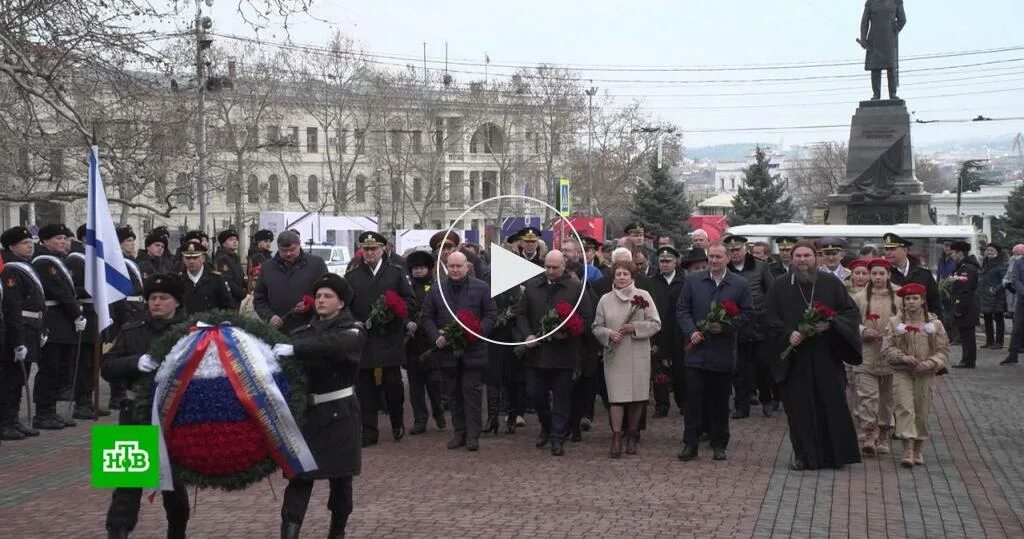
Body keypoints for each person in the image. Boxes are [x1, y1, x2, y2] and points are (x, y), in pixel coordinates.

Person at [274, 273, 365, 539]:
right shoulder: (301, 332)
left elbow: (336, 345)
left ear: (341, 303)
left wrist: (296, 350)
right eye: (318, 296)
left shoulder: (352, 330)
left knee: (341, 481)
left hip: (340, 413)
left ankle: (337, 531)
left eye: (328, 296)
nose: (321, 300)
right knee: (299, 478)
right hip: (307, 416)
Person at [101, 273, 190, 539]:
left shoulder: (190, 331)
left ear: (176, 302)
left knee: (174, 487)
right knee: (125, 486)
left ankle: (177, 533)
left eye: (163, 298)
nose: (157, 303)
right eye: (153, 298)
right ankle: (117, 532)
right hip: (133, 415)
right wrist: (134, 362)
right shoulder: (132, 330)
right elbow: (106, 367)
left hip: (174, 416)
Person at [764, 240, 862, 471]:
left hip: (826, 355)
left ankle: (835, 456)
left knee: (831, 404)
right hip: (795, 360)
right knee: (799, 410)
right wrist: (789, 334)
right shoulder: (779, 286)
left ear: (815, 258)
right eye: (798, 256)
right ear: (791, 259)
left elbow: (850, 313)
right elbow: (769, 319)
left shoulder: (831, 284)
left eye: (807, 255)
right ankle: (804, 456)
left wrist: (830, 325)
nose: (802, 260)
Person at [676, 242, 753, 462]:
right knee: (693, 402)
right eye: (711, 257)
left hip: (722, 353)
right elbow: (682, 309)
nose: (714, 261)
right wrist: (691, 331)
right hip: (696, 353)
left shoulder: (739, 284)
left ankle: (719, 443)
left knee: (719, 401)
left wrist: (727, 326)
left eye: (719, 257)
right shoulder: (693, 281)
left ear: (728, 258)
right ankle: (690, 444)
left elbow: (748, 313)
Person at [515, 250, 593, 456]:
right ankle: (547, 427)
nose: (550, 271)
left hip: (563, 354)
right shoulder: (533, 286)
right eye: (547, 267)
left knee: (562, 398)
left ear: (563, 266)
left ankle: (558, 438)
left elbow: (586, 318)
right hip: (536, 353)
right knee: (536, 395)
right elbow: (521, 314)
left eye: (554, 267)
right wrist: (528, 335)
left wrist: (567, 332)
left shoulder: (576, 288)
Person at [344, 231, 415, 446]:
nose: (369, 253)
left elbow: (409, 300)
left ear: (383, 249)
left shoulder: (395, 273)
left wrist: (395, 312)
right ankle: (369, 430)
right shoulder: (353, 276)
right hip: (365, 337)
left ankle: (396, 420)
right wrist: (354, 321)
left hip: (389, 335)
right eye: (366, 249)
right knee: (364, 386)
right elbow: (345, 305)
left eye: (373, 249)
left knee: (392, 383)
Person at [421, 252, 497, 451]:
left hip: (473, 350)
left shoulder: (481, 287)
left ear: (466, 266)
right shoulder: (437, 289)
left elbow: (491, 314)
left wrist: (478, 331)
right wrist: (436, 336)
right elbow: (427, 316)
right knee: (453, 394)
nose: (454, 270)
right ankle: (459, 432)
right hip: (447, 351)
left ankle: (473, 435)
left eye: (458, 266)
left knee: (471, 392)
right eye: (451, 266)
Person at [592, 260, 660, 458]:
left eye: (625, 274)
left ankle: (632, 434)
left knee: (637, 397)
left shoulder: (643, 296)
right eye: (618, 274)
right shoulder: (605, 299)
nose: (621, 278)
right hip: (615, 354)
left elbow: (656, 323)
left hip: (638, 352)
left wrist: (636, 328)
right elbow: (596, 326)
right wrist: (608, 333)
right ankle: (616, 436)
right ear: (613, 277)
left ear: (632, 277)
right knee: (616, 398)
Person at [880, 283, 949, 467]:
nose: (911, 302)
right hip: (902, 372)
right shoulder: (895, 322)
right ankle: (907, 449)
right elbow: (887, 349)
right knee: (904, 408)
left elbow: (943, 351)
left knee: (922, 411)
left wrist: (930, 363)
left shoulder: (934, 324)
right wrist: (903, 357)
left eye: (915, 298)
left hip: (925, 374)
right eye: (908, 299)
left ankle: (918, 448)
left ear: (922, 300)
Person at [32, 223, 84, 429]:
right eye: (58, 239)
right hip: (53, 320)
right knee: (49, 369)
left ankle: (51, 411)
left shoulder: (58, 261)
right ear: (45, 241)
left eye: (64, 238)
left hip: (63, 321)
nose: (63, 242)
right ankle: (42, 412)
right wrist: (77, 313)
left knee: (61, 368)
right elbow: (60, 292)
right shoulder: (44, 262)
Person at [722, 234, 775, 419]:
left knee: (763, 367)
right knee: (739, 369)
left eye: (737, 249)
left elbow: (771, 293)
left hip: (760, 325)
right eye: (731, 250)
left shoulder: (760, 267)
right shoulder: (725, 270)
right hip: (736, 326)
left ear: (745, 249)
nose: (734, 253)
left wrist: (768, 316)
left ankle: (767, 400)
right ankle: (741, 406)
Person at [0, 226, 46, 441]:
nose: (30, 246)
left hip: (31, 328)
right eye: (24, 243)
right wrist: (17, 341)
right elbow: (12, 307)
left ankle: (14, 419)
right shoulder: (11, 270)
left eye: (30, 242)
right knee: (11, 379)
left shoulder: (26, 267)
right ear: (11, 247)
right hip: (18, 331)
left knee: (22, 378)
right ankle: (6, 423)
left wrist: (42, 328)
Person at [851, 258, 900, 456]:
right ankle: (869, 432)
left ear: (888, 275)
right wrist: (863, 331)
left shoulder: (900, 296)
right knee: (868, 396)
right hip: (866, 353)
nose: (878, 277)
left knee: (887, 399)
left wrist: (894, 331)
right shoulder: (859, 297)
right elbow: (850, 321)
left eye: (882, 274)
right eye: (874, 274)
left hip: (891, 354)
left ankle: (883, 434)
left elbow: (910, 318)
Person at [402, 250, 446, 435]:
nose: (418, 271)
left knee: (435, 383)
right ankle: (420, 418)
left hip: (431, 342)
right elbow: (400, 311)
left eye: (422, 268)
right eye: (415, 268)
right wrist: (407, 323)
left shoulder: (436, 287)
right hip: (412, 344)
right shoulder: (406, 288)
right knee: (415, 386)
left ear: (429, 269)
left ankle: (439, 412)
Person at [253, 230, 329, 334]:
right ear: (278, 248)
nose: (288, 254)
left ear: (299, 245)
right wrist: (269, 316)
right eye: (284, 251)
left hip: (310, 328)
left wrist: (311, 303)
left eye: (292, 250)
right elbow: (259, 298)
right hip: (279, 330)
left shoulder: (316, 264)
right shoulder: (267, 268)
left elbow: (328, 293)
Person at [649, 246, 685, 418]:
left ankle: (683, 402)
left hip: (679, 333)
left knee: (681, 371)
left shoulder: (684, 281)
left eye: (668, 261)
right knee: (659, 372)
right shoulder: (652, 282)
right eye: (661, 261)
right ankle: (661, 404)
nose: (664, 264)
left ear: (675, 262)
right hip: (659, 333)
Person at [883, 233, 942, 319]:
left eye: (892, 249)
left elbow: (935, 304)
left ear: (905, 250)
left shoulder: (924, 274)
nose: (888, 253)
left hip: (920, 325)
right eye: (886, 249)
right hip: (893, 325)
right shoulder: (883, 274)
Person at [859, 0, 907, 101]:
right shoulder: (870, 3)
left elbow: (902, 19)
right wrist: (863, 38)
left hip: (889, 38)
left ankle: (892, 93)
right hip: (874, 39)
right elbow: (864, 22)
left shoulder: (896, 2)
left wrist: (896, 28)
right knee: (875, 68)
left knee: (891, 67)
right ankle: (876, 94)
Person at [948, 240, 981, 369]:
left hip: (967, 306)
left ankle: (968, 360)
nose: (952, 256)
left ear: (960, 253)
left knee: (968, 335)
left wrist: (959, 307)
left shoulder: (966, 268)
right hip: (967, 305)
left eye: (953, 253)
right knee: (966, 334)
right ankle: (966, 359)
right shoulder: (963, 267)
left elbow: (964, 290)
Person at [179, 241, 235, 314]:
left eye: (195, 257)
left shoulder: (216, 279)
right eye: (188, 258)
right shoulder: (178, 280)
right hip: (185, 324)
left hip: (210, 323)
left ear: (203, 259)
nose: (191, 261)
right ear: (183, 259)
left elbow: (227, 306)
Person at [980, 243, 1008, 350]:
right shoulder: (985, 263)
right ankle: (989, 341)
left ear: (997, 252)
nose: (989, 252)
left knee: (998, 319)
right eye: (988, 250)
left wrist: (995, 289)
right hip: (986, 296)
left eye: (992, 250)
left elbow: (1005, 280)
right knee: (987, 319)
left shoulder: (1002, 264)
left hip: (997, 296)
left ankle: (999, 342)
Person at [1002, 244, 1024, 365]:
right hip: (1022, 301)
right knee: (1016, 329)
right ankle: (1012, 355)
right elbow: (1015, 280)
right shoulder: (1018, 263)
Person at [214, 229, 247, 306]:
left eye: (236, 240)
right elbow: (227, 280)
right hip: (230, 300)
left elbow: (240, 277)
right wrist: (243, 294)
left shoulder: (235, 257)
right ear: (224, 244)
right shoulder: (222, 258)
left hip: (238, 299)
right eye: (231, 240)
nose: (235, 242)